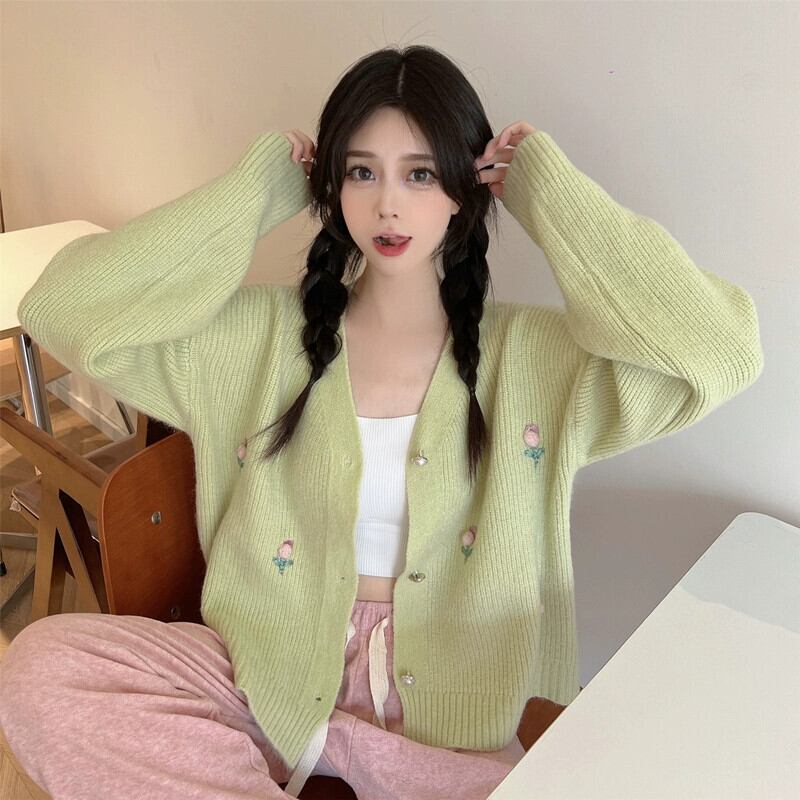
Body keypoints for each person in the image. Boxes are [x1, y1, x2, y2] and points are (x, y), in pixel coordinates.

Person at [0, 45, 763, 800]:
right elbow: (62, 307)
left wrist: (552, 198)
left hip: (457, 712)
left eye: (420, 174)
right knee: (41, 669)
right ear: (331, 185)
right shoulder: (256, 340)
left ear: (464, 189)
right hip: (265, 672)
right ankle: (311, 752)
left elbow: (721, 353)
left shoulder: (535, 361)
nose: (388, 205)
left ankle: (344, 756)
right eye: (362, 172)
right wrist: (253, 193)